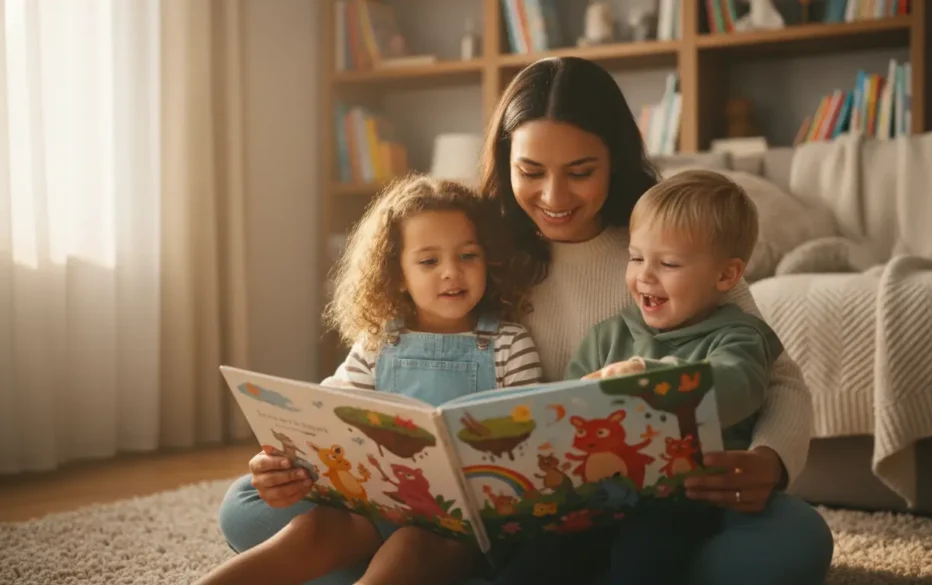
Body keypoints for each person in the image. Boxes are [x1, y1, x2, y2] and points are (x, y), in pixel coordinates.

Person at [216, 56, 834, 585]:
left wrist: (769, 461)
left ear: (614, 161)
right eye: (531, 171)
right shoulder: (477, 247)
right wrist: (292, 458)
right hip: (465, 500)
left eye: (580, 172)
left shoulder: (667, 242)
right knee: (247, 505)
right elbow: (376, 368)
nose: (554, 197)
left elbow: (777, 378)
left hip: (631, 499)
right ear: (505, 159)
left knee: (794, 539)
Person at [200, 174, 543, 585]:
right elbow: (326, 416)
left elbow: (530, 443)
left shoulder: (510, 343)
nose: (452, 272)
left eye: (468, 256)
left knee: (410, 547)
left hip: (462, 530)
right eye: (429, 261)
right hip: (375, 513)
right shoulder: (379, 342)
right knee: (261, 509)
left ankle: (367, 570)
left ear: (489, 260)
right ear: (397, 273)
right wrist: (281, 463)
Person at [552, 169, 782, 585]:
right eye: (636, 257)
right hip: (601, 495)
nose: (645, 276)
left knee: (648, 553)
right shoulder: (607, 336)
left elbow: (738, 386)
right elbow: (565, 411)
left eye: (669, 263)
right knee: (543, 549)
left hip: (685, 498)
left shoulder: (739, 336)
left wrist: (648, 379)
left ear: (727, 276)